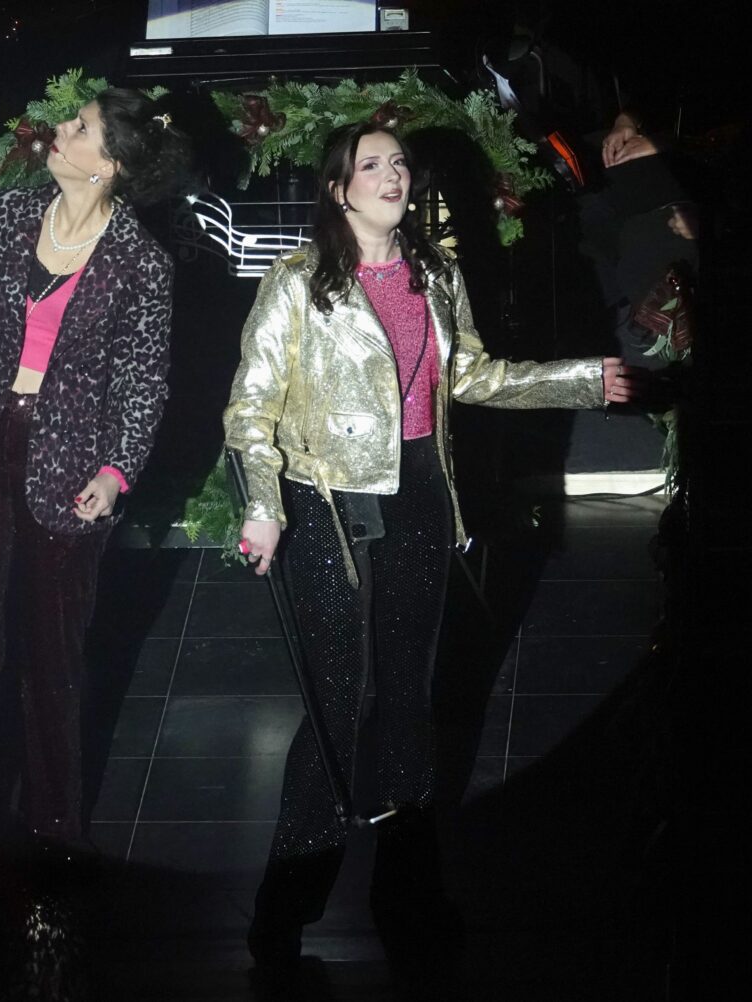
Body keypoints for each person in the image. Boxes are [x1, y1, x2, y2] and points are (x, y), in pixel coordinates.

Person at [223, 122, 642, 987]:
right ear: (339, 188)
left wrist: (577, 378)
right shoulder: (299, 281)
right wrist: (263, 507)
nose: (393, 176)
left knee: (410, 702)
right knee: (340, 704)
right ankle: (284, 907)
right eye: (371, 165)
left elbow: (474, 377)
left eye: (400, 164)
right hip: (329, 507)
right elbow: (249, 410)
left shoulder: (435, 273)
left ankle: (406, 896)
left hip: (418, 497)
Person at [0, 88, 190, 850]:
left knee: (52, 658)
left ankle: (55, 832)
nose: (61, 130)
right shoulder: (9, 217)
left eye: (80, 128)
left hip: (70, 462)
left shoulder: (141, 263)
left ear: (109, 165)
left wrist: (116, 471)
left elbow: (143, 382)